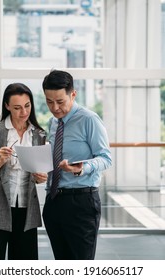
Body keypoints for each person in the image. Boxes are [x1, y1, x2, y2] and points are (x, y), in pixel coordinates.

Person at [42, 70, 112, 260]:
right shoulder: (52, 123)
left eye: (60, 101)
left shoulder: (89, 119)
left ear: (73, 94)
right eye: (49, 101)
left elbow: (106, 158)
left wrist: (82, 167)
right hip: (54, 201)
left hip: (81, 202)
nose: (55, 107)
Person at [0, 83, 47, 260]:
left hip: (26, 210)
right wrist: (0, 160)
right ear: (7, 106)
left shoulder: (38, 134)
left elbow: (40, 176)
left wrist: (41, 177)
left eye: (27, 106)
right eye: (17, 107)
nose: (23, 112)